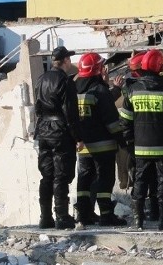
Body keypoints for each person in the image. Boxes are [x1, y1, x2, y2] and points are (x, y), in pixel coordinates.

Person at [120, 49, 163, 230]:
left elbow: (125, 121)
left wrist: (131, 143)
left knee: (140, 181)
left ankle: (138, 221)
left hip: (141, 147)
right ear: (161, 67)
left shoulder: (132, 90)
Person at [74, 52, 127, 227]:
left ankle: (83, 215)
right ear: (98, 69)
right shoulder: (99, 90)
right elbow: (111, 119)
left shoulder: (73, 89)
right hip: (103, 146)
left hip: (82, 146)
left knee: (84, 181)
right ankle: (106, 215)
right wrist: (122, 141)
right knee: (104, 180)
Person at [33, 46, 83, 230]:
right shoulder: (65, 81)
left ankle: (45, 217)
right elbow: (70, 113)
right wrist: (78, 137)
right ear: (65, 61)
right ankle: (62, 216)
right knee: (61, 175)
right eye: (69, 59)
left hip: (44, 130)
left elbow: (37, 107)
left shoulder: (41, 79)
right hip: (61, 131)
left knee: (46, 175)